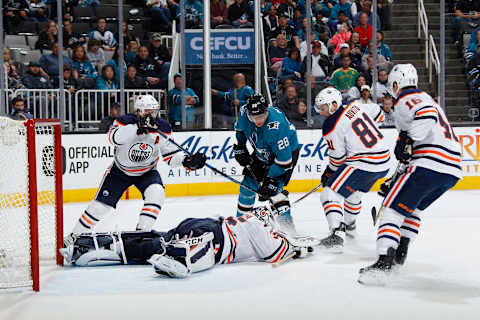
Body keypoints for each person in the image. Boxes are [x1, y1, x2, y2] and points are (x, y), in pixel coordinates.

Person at [358, 64, 462, 285]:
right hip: (450, 169)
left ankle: (384, 261)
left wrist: (408, 139)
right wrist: (396, 177)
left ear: (396, 84)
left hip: (429, 164)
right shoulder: (425, 97)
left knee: (391, 209)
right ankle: (400, 252)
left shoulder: (407, 98)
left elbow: (427, 117)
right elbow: (410, 151)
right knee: (410, 207)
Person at [64, 95, 207, 246]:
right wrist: (137, 127)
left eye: (154, 111)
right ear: (139, 111)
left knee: (157, 193)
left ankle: (141, 234)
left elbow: (170, 155)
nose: (152, 115)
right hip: (120, 172)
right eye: (148, 112)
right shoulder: (125, 121)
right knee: (100, 207)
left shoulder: (162, 127)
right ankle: (75, 237)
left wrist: (186, 161)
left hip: (147, 172)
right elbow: (113, 139)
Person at [60, 205, 317, 278]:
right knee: (202, 249)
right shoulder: (258, 225)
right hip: (214, 236)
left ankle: (92, 245)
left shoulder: (246, 220)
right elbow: (273, 253)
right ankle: (179, 258)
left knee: (155, 240)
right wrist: (294, 249)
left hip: (199, 222)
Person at [314, 87, 389, 251]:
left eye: (323, 108)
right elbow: (379, 113)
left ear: (334, 105)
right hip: (383, 160)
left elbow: (338, 159)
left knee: (329, 193)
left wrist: (328, 172)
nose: (321, 112)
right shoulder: (355, 105)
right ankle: (350, 230)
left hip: (364, 162)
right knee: (354, 195)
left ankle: (337, 234)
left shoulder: (330, 125)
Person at [233, 93, 300, 233]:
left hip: (285, 155)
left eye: (262, 116)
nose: (258, 120)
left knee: (275, 191)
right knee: (247, 185)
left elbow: (284, 160)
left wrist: (270, 180)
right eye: (254, 117)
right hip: (261, 151)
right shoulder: (244, 112)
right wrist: (240, 147)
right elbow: (240, 130)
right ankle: (240, 227)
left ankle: (289, 231)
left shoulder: (276, 126)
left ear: (267, 111)